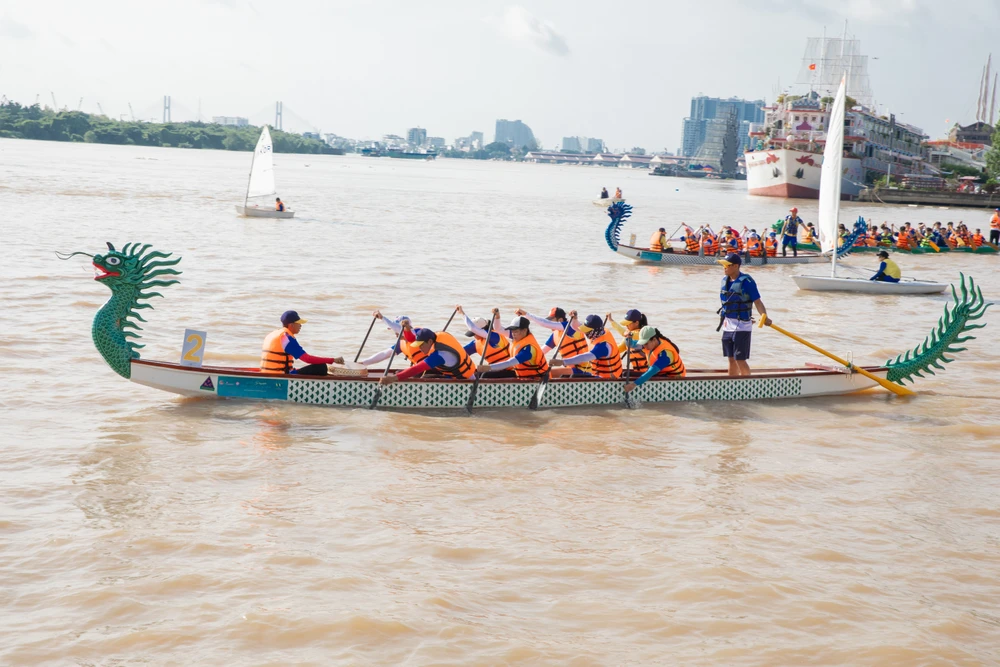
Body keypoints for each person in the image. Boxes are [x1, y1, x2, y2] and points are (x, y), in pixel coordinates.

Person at [717, 253, 769, 377]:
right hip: (727, 325)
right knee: (731, 358)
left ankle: (747, 383)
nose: (724, 268)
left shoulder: (747, 282)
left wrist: (764, 316)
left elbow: (758, 302)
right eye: (723, 265)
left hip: (742, 326)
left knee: (740, 359)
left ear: (736, 266)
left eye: (727, 265)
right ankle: (732, 383)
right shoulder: (725, 280)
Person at [378, 326, 477, 384]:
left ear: (429, 341)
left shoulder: (440, 354)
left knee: (424, 376)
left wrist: (394, 378)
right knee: (406, 373)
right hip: (452, 373)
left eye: (421, 345)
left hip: (463, 380)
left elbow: (417, 368)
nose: (419, 348)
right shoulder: (438, 337)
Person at [260, 310, 343, 376]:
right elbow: (307, 359)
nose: (300, 325)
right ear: (291, 325)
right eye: (298, 323)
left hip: (267, 373)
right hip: (282, 375)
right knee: (322, 367)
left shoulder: (272, 334)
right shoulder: (286, 338)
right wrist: (332, 360)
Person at [515, 307, 591, 371]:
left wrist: (526, 314)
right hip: (570, 370)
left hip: (583, 370)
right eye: (548, 320)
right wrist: (521, 361)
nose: (549, 322)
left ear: (560, 320)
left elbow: (545, 323)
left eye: (551, 320)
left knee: (549, 373)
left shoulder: (570, 327)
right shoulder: (555, 335)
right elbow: (541, 352)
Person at [550, 313, 621, 378]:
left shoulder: (603, 346)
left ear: (595, 330)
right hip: (597, 374)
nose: (585, 332)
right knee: (569, 376)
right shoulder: (599, 332)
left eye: (587, 331)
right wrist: (575, 319)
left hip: (608, 378)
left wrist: (562, 362)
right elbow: (576, 327)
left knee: (573, 377)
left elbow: (584, 357)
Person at [476, 316, 549, 378]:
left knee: (485, 375)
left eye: (515, 331)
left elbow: (509, 363)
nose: (513, 334)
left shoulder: (529, 349)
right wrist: (497, 316)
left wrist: (489, 367)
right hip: (523, 378)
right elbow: (499, 329)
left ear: (524, 330)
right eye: (512, 331)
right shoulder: (519, 337)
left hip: (537, 379)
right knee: (478, 374)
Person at [623, 325, 686, 392]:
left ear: (654, 340)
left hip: (674, 379)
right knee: (625, 374)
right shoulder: (649, 343)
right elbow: (631, 344)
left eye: (646, 344)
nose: (644, 346)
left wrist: (633, 385)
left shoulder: (665, 354)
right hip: (660, 373)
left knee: (628, 375)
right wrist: (628, 337)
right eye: (643, 344)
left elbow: (651, 372)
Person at [608, 309, 649, 375]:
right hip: (639, 372)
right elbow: (617, 350)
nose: (626, 326)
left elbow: (626, 333)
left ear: (636, 323)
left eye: (628, 324)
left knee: (624, 374)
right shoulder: (629, 338)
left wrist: (611, 321)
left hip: (649, 373)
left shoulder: (641, 334)